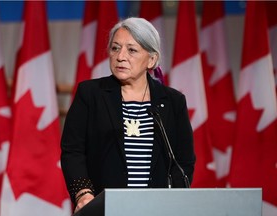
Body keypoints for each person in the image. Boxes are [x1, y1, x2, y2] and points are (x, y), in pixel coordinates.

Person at [61, 17, 196, 213]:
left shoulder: (173, 101)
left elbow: (183, 160)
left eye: (131, 50)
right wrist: (83, 193)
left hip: (157, 210)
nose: (120, 56)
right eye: (115, 48)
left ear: (152, 59)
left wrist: (170, 200)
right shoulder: (90, 94)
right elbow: (72, 151)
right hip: (103, 208)